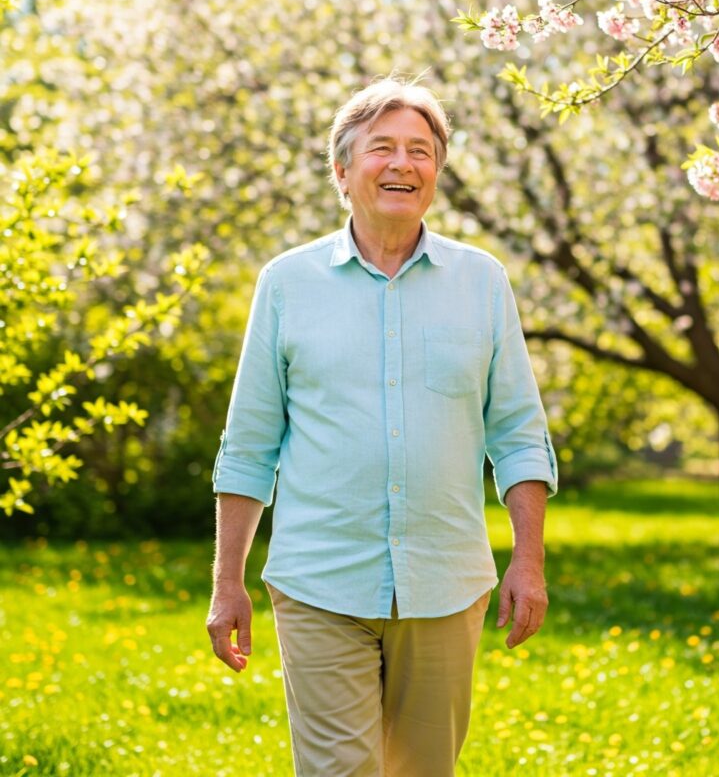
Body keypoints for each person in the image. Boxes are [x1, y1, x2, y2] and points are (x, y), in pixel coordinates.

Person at [205, 76, 557, 777]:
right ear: (342, 170)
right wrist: (227, 581)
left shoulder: (481, 282)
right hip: (320, 580)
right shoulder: (287, 283)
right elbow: (249, 444)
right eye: (383, 148)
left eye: (421, 151)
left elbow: (518, 434)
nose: (403, 164)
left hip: (446, 579)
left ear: (438, 172)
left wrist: (529, 561)